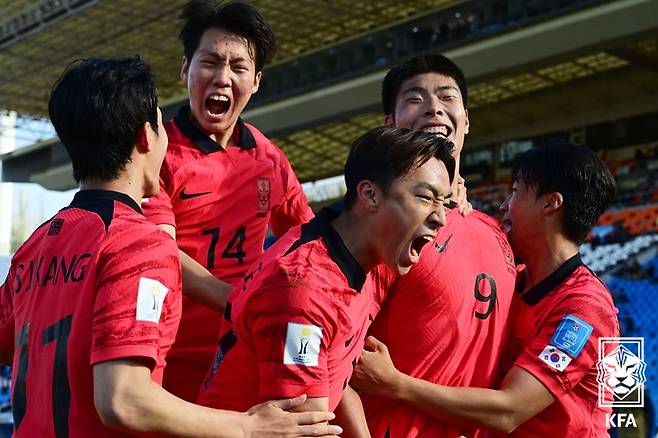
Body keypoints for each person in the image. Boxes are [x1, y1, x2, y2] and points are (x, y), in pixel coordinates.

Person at [0, 56, 341, 437]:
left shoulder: (35, 246)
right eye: (162, 125)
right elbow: (122, 399)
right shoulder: (139, 246)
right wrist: (247, 426)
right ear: (147, 137)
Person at [353, 141, 620, 437]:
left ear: (550, 204)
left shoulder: (584, 307)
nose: (504, 205)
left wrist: (395, 383)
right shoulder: (511, 279)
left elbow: (510, 410)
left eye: (516, 192)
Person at [198, 127, 455, 431]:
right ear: (370, 195)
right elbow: (307, 430)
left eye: (445, 202)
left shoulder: (361, 254)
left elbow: (335, 372)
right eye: (426, 198)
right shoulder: (304, 289)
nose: (441, 218)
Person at [142, 0, 314, 402]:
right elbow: (158, 251)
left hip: (240, 359)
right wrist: (239, 301)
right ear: (185, 69)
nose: (222, 77)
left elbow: (307, 240)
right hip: (167, 359)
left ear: (256, 81)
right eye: (210, 63)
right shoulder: (156, 153)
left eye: (238, 67)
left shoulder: (268, 157)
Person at [355, 54, 517, 437]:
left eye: (447, 97)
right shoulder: (378, 227)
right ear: (390, 124)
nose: (434, 109)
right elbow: (339, 351)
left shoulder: (496, 232)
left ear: (466, 119)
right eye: (415, 99)